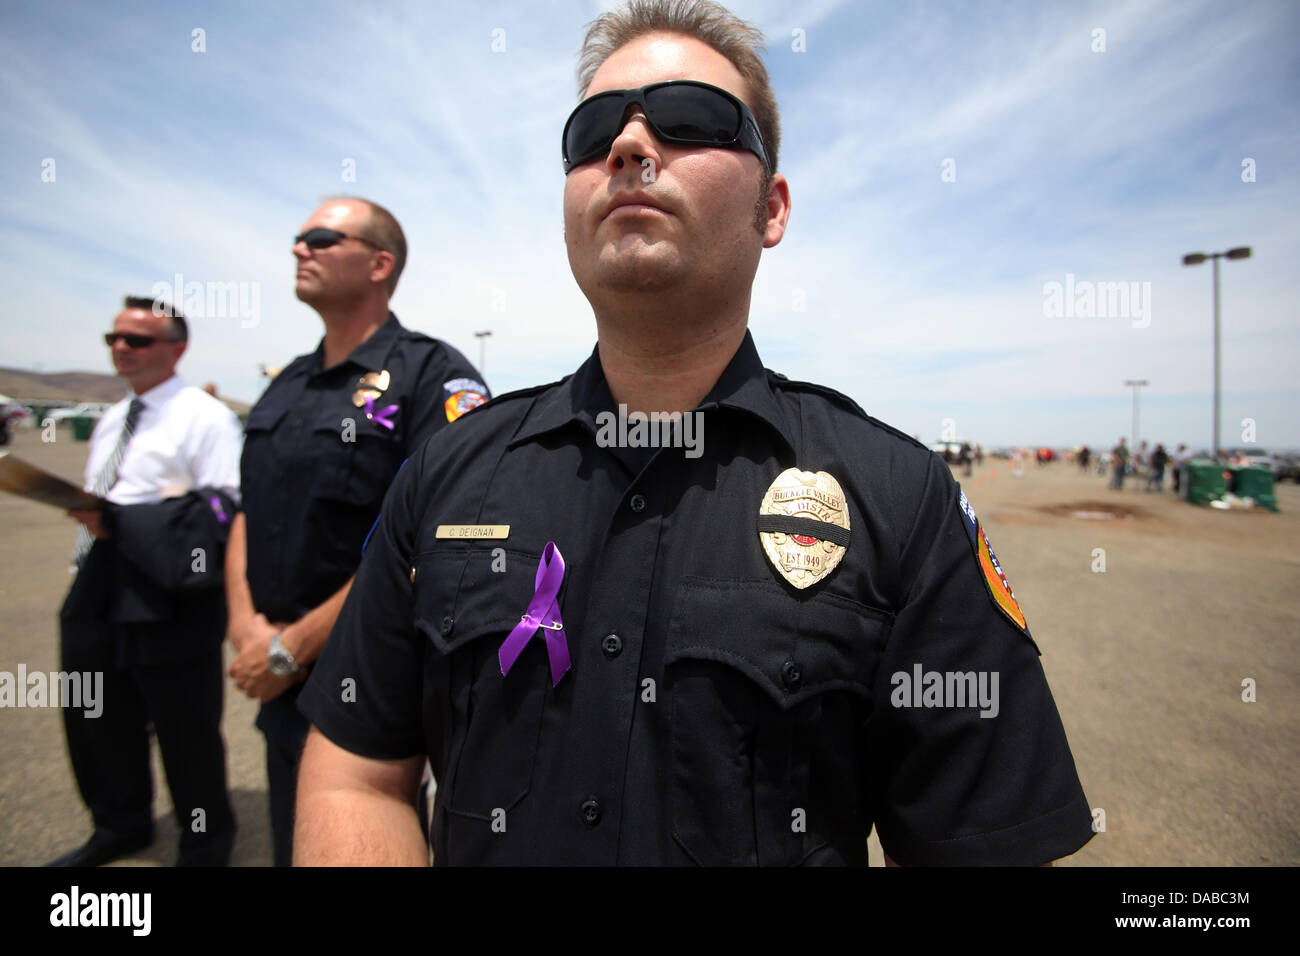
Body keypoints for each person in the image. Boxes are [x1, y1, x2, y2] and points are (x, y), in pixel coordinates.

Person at [294, 0, 1093, 866]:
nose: (630, 147)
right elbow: (355, 775)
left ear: (772, 208)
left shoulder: (900, 499)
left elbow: (976, 848)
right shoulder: (449, 473)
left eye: (692, 120)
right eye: (595, 129)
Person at [225, 197, 488, 867]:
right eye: (297, 238)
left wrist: (294, 645)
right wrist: (249, 628)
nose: (298, 249)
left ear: (379, 264)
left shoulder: (435, 376)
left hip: (363, 680)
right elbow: (246, 509)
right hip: (273, 667)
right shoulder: (287, 383)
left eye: (318, 237)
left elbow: (441, 542)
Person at [51, 296, 242, 867]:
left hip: (169, 585)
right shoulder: (114, 417)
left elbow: (226, 507)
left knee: (185, 725)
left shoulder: (203, 415)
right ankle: (120, 823)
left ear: (176, 348)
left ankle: (205, 842)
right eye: (113, 338)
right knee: (96, 712)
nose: (121, 348)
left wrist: (130, 521)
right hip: (100, 577)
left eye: (137, 340)